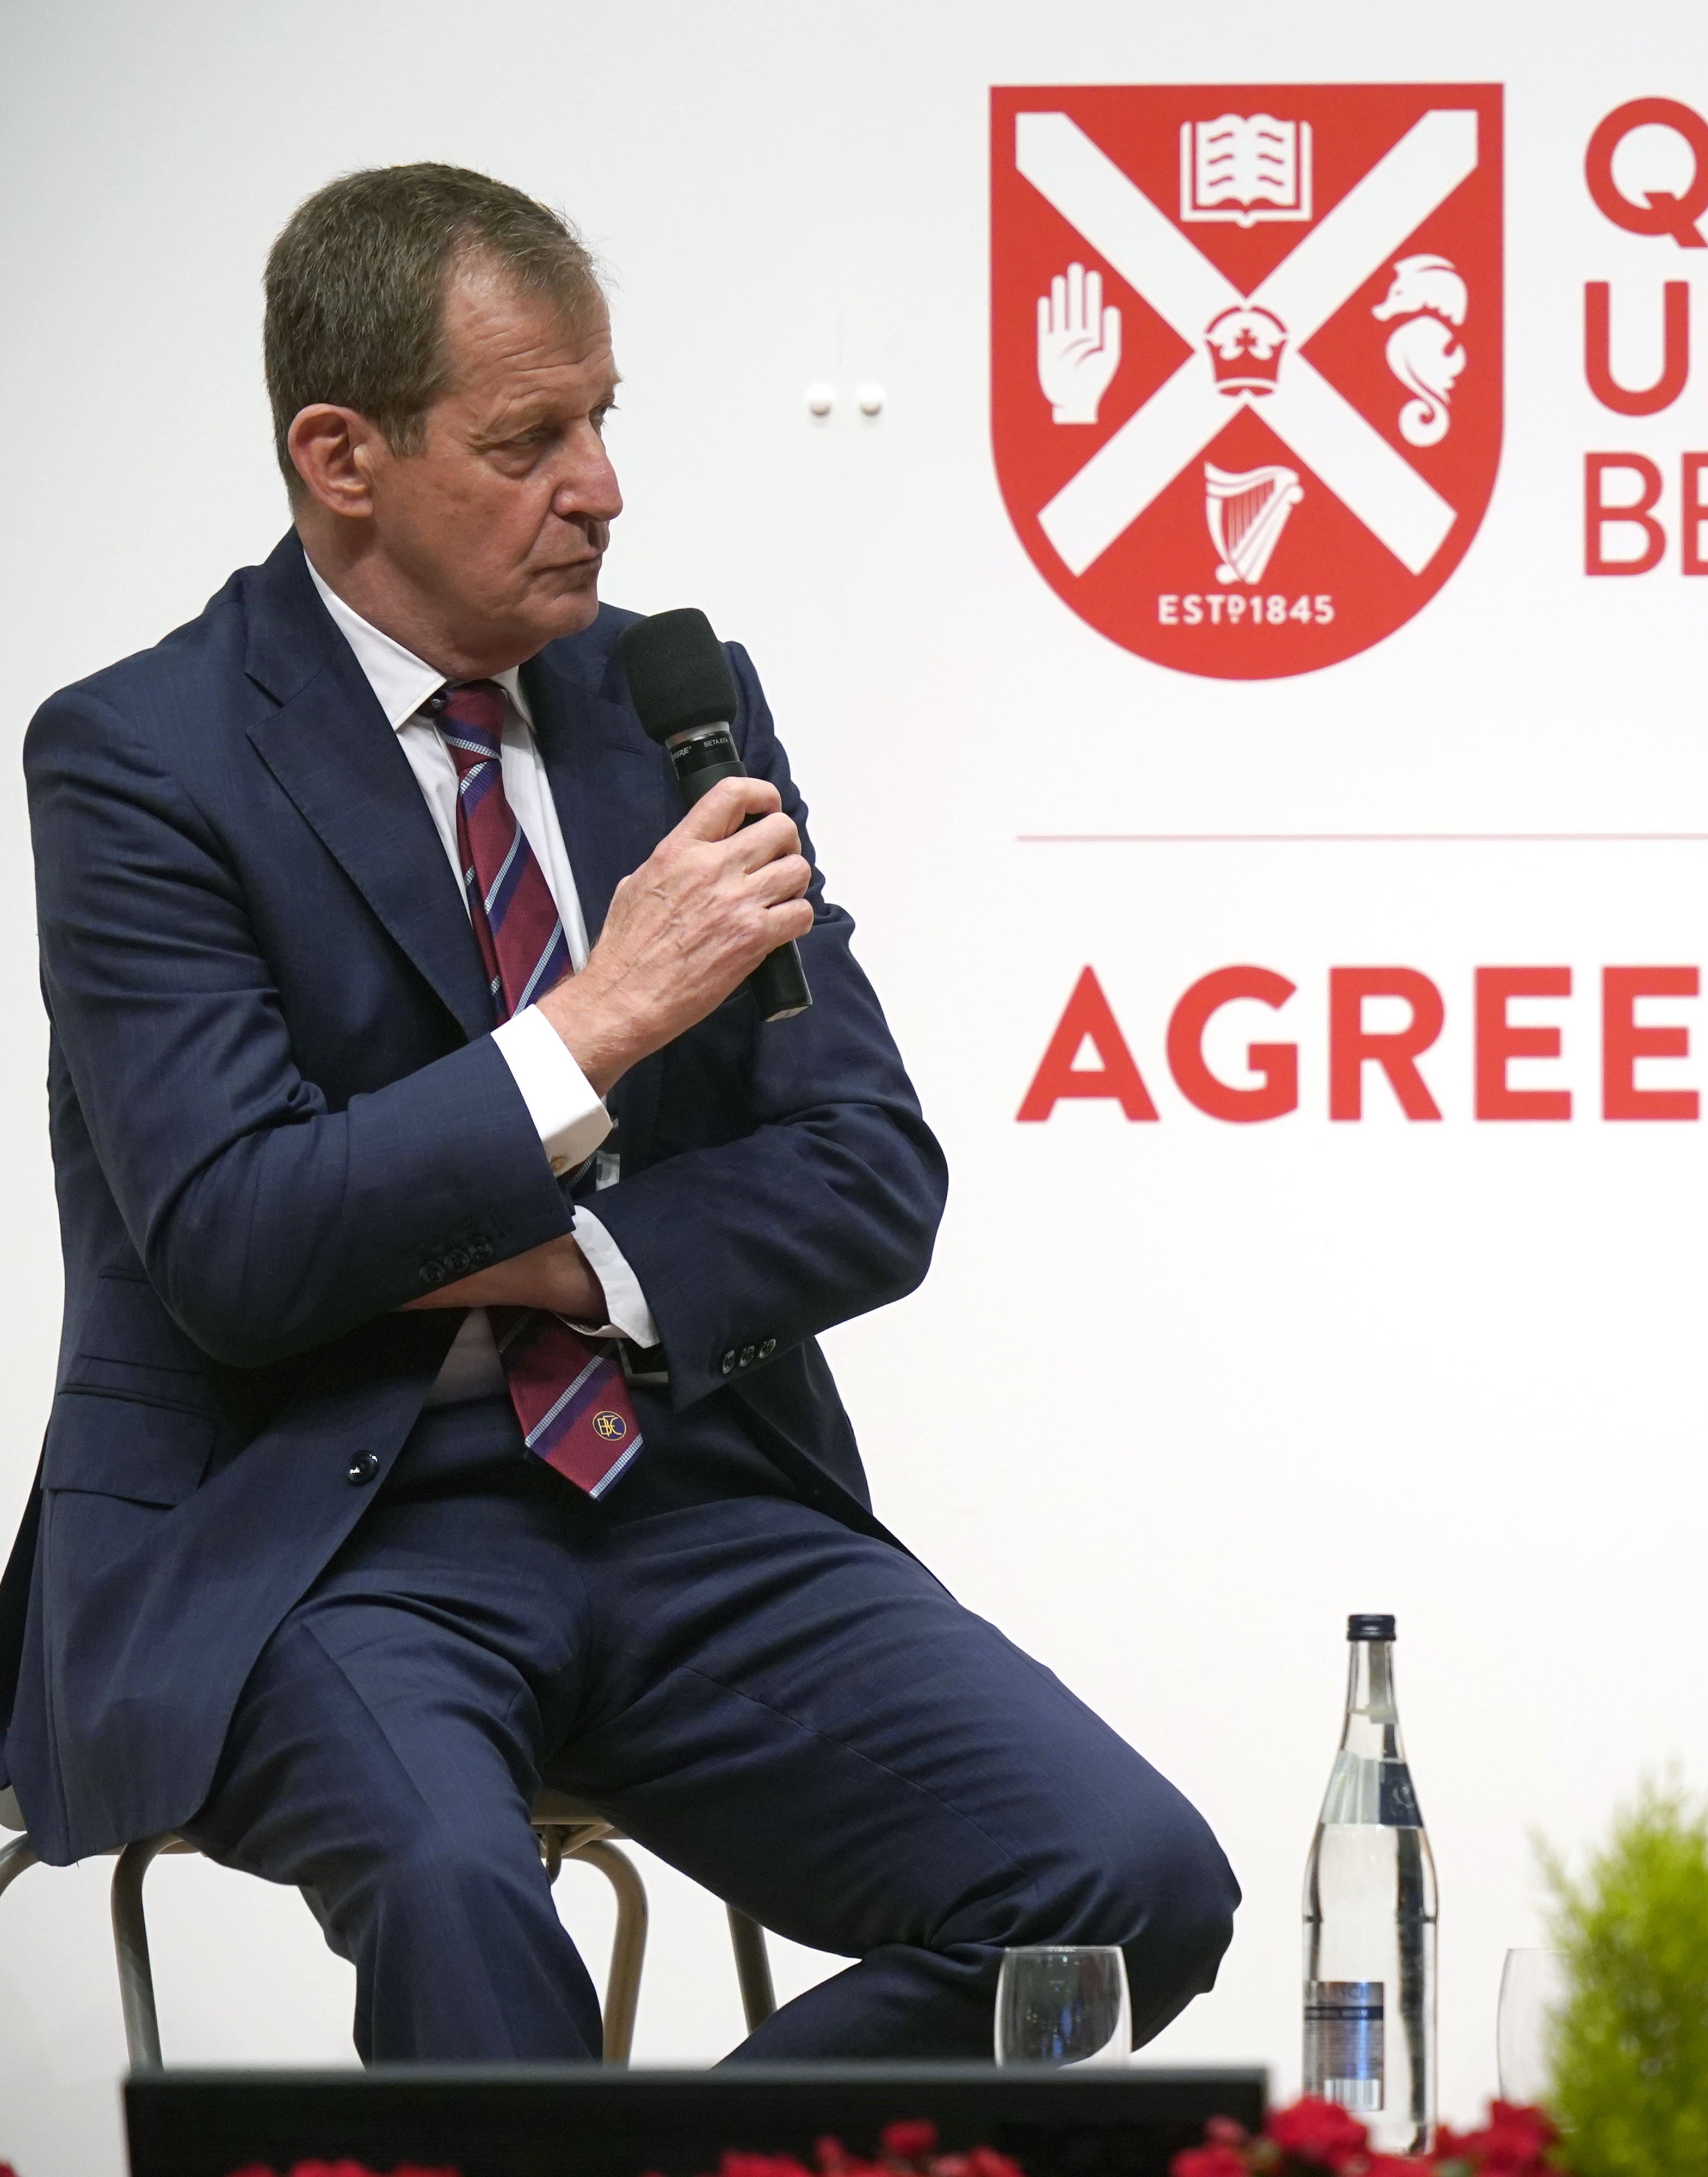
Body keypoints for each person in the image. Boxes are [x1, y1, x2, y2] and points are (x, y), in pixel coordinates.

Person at [0, 163, 1237, 2059]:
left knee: (1126, 1888)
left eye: (604, 418)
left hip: (688, 1505)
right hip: (322, 1543)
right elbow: (243, 1256)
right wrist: (590, 1029)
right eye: (530, 437)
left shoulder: (670, 700)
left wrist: (554, 1264)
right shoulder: (138, 758)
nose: (602, 485)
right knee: (459, 1900)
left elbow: (868, 1176)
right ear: (341, 455)